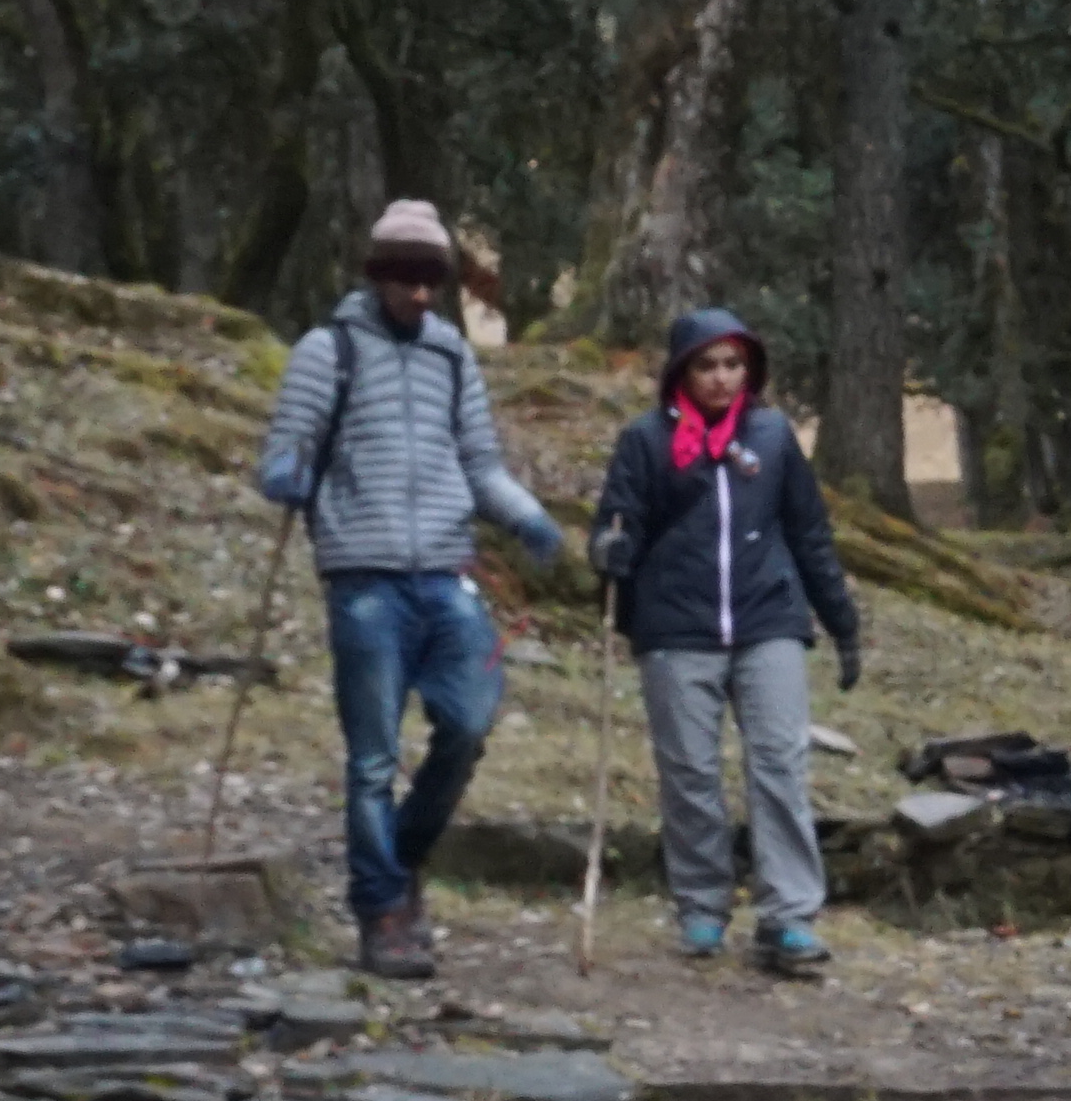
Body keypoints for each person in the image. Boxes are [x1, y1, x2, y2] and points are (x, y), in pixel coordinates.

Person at [255, 198, 570, 981]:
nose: (421, 295)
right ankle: (383, 913)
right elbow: (288, 447)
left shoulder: (451, 355)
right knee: (372, 759)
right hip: (363, 577)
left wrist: (529, 518)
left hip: (446, 572)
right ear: (378, 273)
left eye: (432, 281)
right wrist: (287, 473)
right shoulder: (327, 350)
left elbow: (481, 464)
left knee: (468, 722)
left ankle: (399, 860)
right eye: (407, 279)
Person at [593, 304, 864, 979]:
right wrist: (609, 554)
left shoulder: (771, 437)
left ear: (750, 370)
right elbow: (615, 528)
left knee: (779, 762)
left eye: (733, 364)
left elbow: (809, 533)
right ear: (681, 372)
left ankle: (789, 916)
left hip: (767, 619)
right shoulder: (645, 440)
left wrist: (842, 622)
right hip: (675, 627)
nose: (720, 378)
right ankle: (702, 904)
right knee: (689, 771)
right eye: (706, 365)